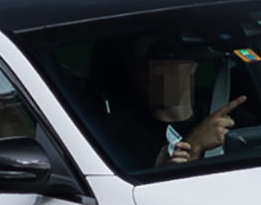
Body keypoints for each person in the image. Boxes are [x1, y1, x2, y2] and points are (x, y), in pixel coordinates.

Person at [97, 34, 246, 168]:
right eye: (143, 64)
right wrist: (193, 146)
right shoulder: (119, 142)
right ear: (131, 73)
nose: (157, 72)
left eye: (166, 59)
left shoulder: (233, 119)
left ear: (192, 64)